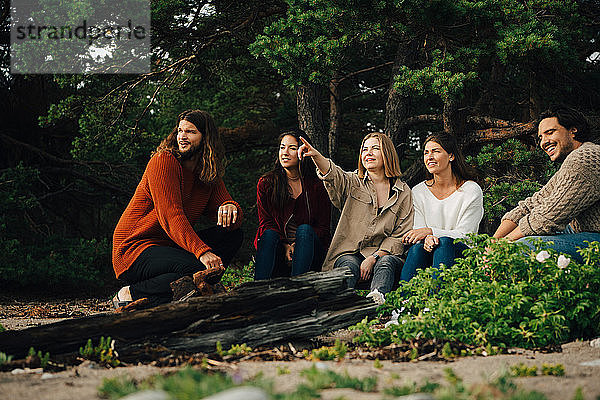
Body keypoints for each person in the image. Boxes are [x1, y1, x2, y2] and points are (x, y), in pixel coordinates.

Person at [111, 110, 243, 308]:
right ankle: (131, 293)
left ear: (206, 138)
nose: (182, 136)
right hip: (135, 248)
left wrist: (231, 207)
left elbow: (229, 211)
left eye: (190, 132)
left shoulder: (206, 172)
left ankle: (184, 288)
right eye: (180, 130)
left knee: (233, 235)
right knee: (199, 266)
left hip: (170, 246)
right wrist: (201, 252)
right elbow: (171, 216)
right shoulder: (163, 161)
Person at [298, 132, 414, 304]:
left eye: (375, 148)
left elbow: (400, 235)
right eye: (365, 149)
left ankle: (375, 304)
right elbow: (333, 174)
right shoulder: (353, 182)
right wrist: (315, 156)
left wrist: (374, 257)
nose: (368, 153)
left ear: (387, 153)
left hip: (383, 256)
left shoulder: (403, 192)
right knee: (348, 266)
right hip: (349, 253)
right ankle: (338, 306)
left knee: (386, 262)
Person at [493, 105, 600, 261]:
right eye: (540, 137)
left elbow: (548, 216)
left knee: (522, 247)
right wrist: (493, 241)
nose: (544, 142)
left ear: (573, 130)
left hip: (595, 237)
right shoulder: (573, 160)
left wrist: (504, 244)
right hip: (584, 234)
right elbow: (533, 203)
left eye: (550, 133)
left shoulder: (585, 158)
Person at [400, 133, 483, 282]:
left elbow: (466, 236)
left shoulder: (471, 190)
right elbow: (418, 232)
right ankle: (404, 302)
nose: (429, 156)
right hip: (427, 251)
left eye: (436, 151)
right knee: (417, 248)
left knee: (444, 242)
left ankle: (437, 302)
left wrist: (432, 232)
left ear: (451, 156)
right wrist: (428, 236)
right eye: (426, 152)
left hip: (462, 254)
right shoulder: (418, 191)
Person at [254, 131, 331, 279]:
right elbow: (265, 222)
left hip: (310, 252)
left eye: (292, 148)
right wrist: (285, 245)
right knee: (268, 234)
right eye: (282, 147)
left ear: (303, 151)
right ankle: (257, 289)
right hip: (279, 251)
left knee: (304, 230)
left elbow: (323, 228)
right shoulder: (267, 183)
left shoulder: (317, 185)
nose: (285, 153)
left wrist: (298, 244)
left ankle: (298, 287)